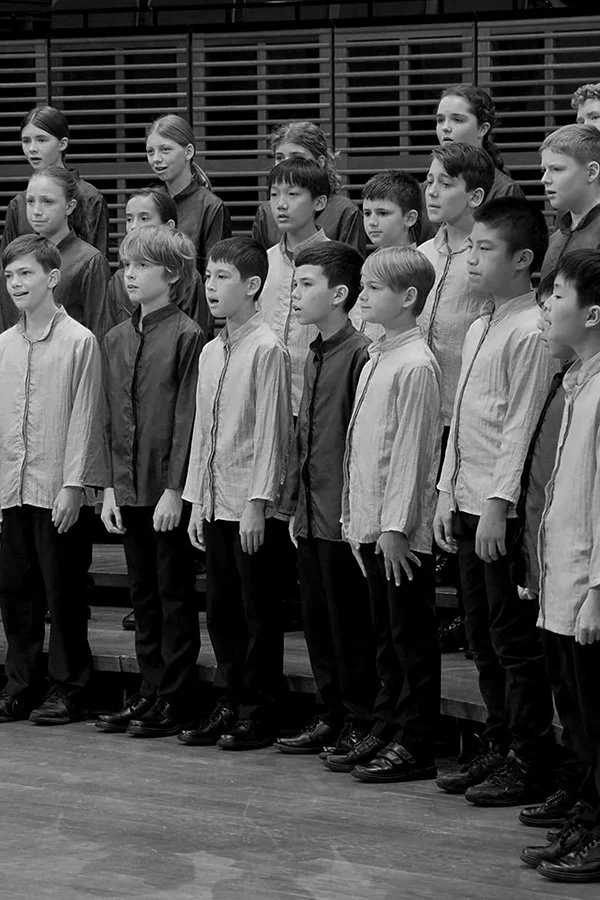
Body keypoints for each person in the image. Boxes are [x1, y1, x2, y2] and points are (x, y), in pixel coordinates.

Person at [434, 197, 557, 806]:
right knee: (480, 637)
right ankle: (499, 741)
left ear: (524, 259)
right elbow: (462, 418)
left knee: (511, 642)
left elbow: (521, 427)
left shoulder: (531, 329)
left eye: (485, 250)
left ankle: (531, 758)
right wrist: (442, 493)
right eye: (472, 248)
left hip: (495, 509)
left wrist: (496, 503)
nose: (472, 260)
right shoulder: (482, 323)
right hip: (463, 497)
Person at [323, 246, 441, 784]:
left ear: (409, 297)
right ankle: (391, 724)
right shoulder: (379, 354)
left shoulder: (414, 364)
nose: (363, 296)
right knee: (386, 639)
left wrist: (395, 527)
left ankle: (416, 741)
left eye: (373, 288)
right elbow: (363, 448)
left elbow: (413, 453)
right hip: (370, 524)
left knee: (409, 638)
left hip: (399, 534)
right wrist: (357, 520)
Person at [180, 236, 292, 752]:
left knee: (255, 613)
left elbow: (272, 432)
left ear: (252, 285)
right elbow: (203, 431)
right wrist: (197, 501)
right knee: (221, 610)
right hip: (215, 499)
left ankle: (258, 708)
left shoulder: (268, 348)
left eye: (222, 277)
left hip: (249, 505)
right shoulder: (209, 350)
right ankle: (227, 699)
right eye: (207, 277)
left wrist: (257, 503)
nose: (211, 287)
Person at [96, 225, 203, 738]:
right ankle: (149, 689)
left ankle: (175, 696)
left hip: (165, 491)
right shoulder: (115, 337)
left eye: (142, 266)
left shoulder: (187, 335)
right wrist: (112, 489)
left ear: (174, 275)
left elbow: (187, 418)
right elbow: (111, 418)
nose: (130, 274)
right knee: (143, 595)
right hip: (129, 486)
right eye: (126, 265)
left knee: (173, 594)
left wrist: (175, 490)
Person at [274, 242, 379, 757]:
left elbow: (358, 442)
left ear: (340, 294)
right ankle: (331, 711)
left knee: (350, 626)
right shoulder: (313, 352)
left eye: (306, 284)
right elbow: (303, 437)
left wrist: (348, 510)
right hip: (311, 514)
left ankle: (361, 716)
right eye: (294, 283)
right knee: (318, 621)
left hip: (343, 516)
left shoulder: (359, 352)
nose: (295, 294)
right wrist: (295, 504)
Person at [0, 234, 103, 726]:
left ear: (53, 278)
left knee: (63, 595)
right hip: (12, 488)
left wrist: (73, 484)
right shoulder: (3, 345)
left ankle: (70, 687)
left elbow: (86, 414)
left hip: (57, 489)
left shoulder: (79, 340)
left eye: (26, 274)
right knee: (16, 592)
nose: (16, 283)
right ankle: (20, 684)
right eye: (10, 275)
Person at [521, 249, 600, 883]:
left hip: (588, 586)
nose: (548, 305)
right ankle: (588, 814)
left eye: (561, 296)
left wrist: (597, 588)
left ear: (593, 313)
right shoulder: (575, 378)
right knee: (575, 712)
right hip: (560, 578)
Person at [418, 142, 495, 430]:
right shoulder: (422, 254)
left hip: (467, 412)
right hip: (418, 409)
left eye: (446, 183)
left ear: (475, 196)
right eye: (429, 182)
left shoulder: (488, 256)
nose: (432, 192)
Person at [259, 156, 330, 417]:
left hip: (317, 403)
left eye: (293, 194)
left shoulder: (335, 263)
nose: (281, 204)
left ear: (318, 202)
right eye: (274, 194)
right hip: (264, 401)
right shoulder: (263, 262)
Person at [0, 105, 109, 257]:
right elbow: (6, 264)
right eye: (26, 141)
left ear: (62, 144)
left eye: (41, 140)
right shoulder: (19, 203)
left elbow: (97, 260)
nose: (32, 148)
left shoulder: (89, 196)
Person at [420, 84, 524, 241]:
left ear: (483, 129)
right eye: (440, 120)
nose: (445, 128)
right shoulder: (426, 190)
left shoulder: (504, 190)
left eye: (457, 120)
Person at [106, 187, 210, 336]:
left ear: (168, 226)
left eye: (144, 218)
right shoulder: (118, 279)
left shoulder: (190, 279)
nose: (134, 226)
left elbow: (196, 334)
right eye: (129, 219)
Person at [251, 120, 365, 255]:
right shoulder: (266, 211)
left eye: (298, 157)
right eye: (280, 157)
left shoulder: (345, 210)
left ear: (320, 162)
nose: (288, 164)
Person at [145, 114, 231, 276]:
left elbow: (216, 271)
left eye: (165, 150)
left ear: (188, 152)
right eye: (150, 152)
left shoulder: (211, 206)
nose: (156, 159)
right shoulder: (149, 202)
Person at [540, 124, 600, 279]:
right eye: (544, 170)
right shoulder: (556, 238)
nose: (544, 179)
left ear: (591, 172)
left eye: (557, 169)